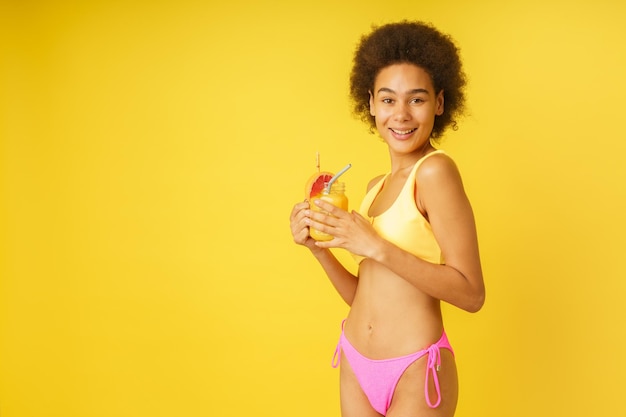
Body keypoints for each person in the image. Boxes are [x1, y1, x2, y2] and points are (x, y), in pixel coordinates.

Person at [289, 21, 485, 417]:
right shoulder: (376, 186)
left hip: (414, 367)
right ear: (372, 104)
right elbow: (367, 297)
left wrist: (376, 246)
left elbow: (471, 294)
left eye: (417, 99)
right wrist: (320, 250)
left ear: (440, 103)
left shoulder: (435, 172)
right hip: (355, 360)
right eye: (388, 99)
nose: (401, 114)